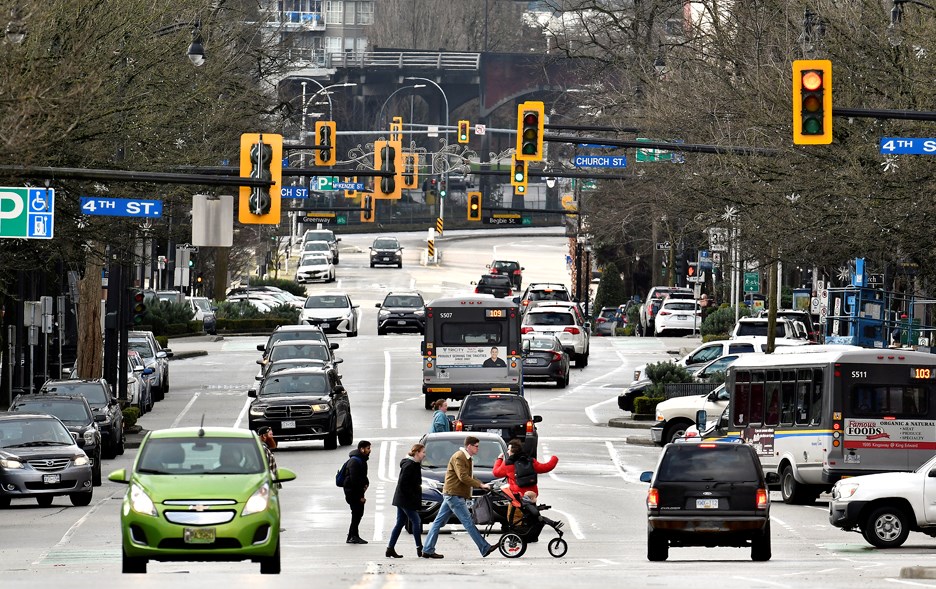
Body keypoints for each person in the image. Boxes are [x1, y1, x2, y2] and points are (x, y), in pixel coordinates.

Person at [420, 436, 497, 559]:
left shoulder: (467, 457)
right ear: (469, 446)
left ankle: (427, 550)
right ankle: (484, 547)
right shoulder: (459, 457)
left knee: (437, 522)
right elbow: (463, 477)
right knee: (468, 522)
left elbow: (469, 475)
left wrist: (482, 484)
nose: (478, 448)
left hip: (452, 493)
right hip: (454, 495)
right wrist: (480, 485)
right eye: (476, 446)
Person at [386, 443, 426, 558]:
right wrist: (412, 497)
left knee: (399, 523)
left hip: (402, 499)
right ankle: (420, 548)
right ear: (417, 453)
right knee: (416, 521)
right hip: (406, 500)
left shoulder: (413, 464)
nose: (424, 455)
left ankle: (390, 549)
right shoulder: (409, 465)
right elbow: (404, 484)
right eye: (423, 452)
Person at [492, 438, 559, 498]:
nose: (507, 451)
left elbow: (496, 473)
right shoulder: (531, 461)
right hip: (531, 494)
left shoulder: (508, 464)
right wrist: (554, 459)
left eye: (509, 449)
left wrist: (499, 459)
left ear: (513, 451)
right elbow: (545, 467)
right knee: (532, 509)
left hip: (516, 495)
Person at [343, 440, 371, 545]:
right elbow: (354, 481)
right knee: (357, 513)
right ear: (362, 449)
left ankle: (353, 535)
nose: (369, 450)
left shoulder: (361, 460)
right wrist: (360, 496)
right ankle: (352, 536)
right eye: (368, 448)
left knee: (357, 513)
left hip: (355, 491)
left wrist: (366, 483)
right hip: (352, 492)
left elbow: (362, 477)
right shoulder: (355, 461)